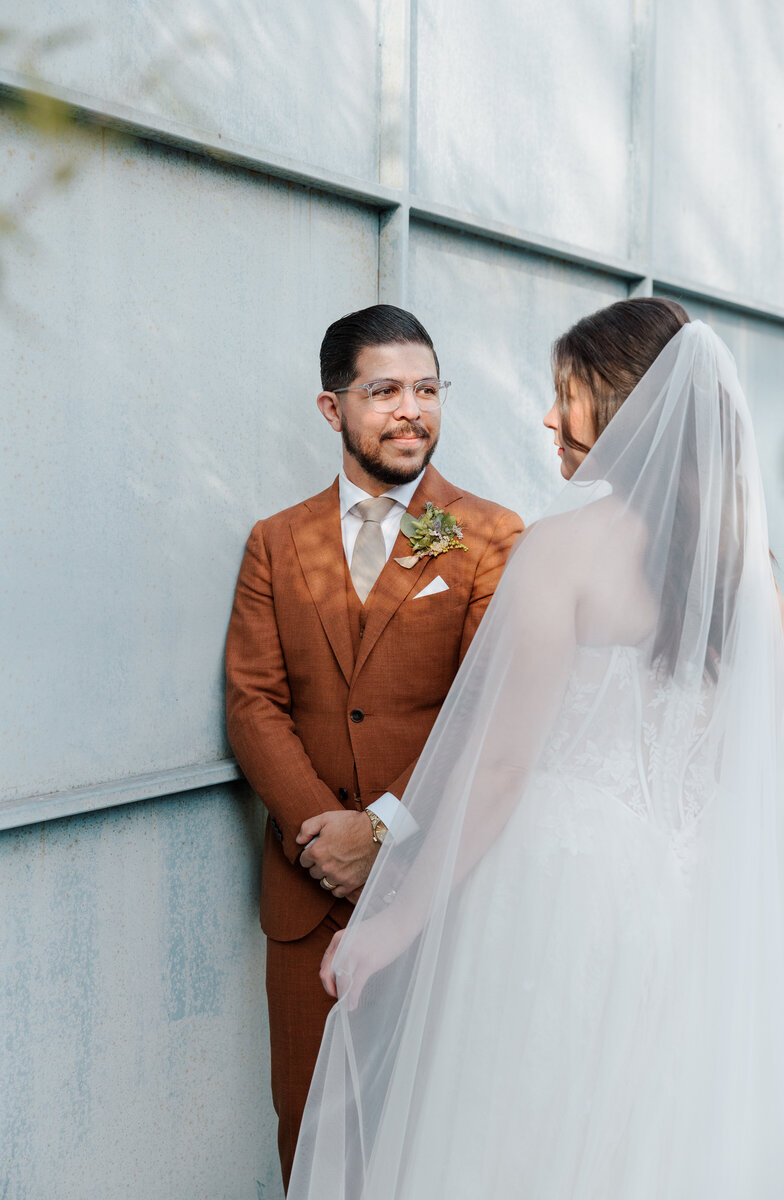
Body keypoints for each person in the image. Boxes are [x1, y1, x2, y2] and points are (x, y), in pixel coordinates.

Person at [288, 298, 784, 1199]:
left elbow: (504, 765)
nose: (550, 419)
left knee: (512, 1144)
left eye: (570, 396)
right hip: (688, 908)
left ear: (626, 410)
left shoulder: (558, 551)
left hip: (562, 901)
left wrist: (393, 923)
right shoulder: (749, 573)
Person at [224, 303, 523, 1188]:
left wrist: (383, 832)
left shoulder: (492, 536)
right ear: (332, 408)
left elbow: (486, 713)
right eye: (385, 389)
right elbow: (252, 703)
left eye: (428, 389)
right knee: (308, 1133)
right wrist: (328, 835)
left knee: (436, 1131)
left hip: (439, 889)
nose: (412, 411)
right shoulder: (276, 543)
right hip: (306, 892)